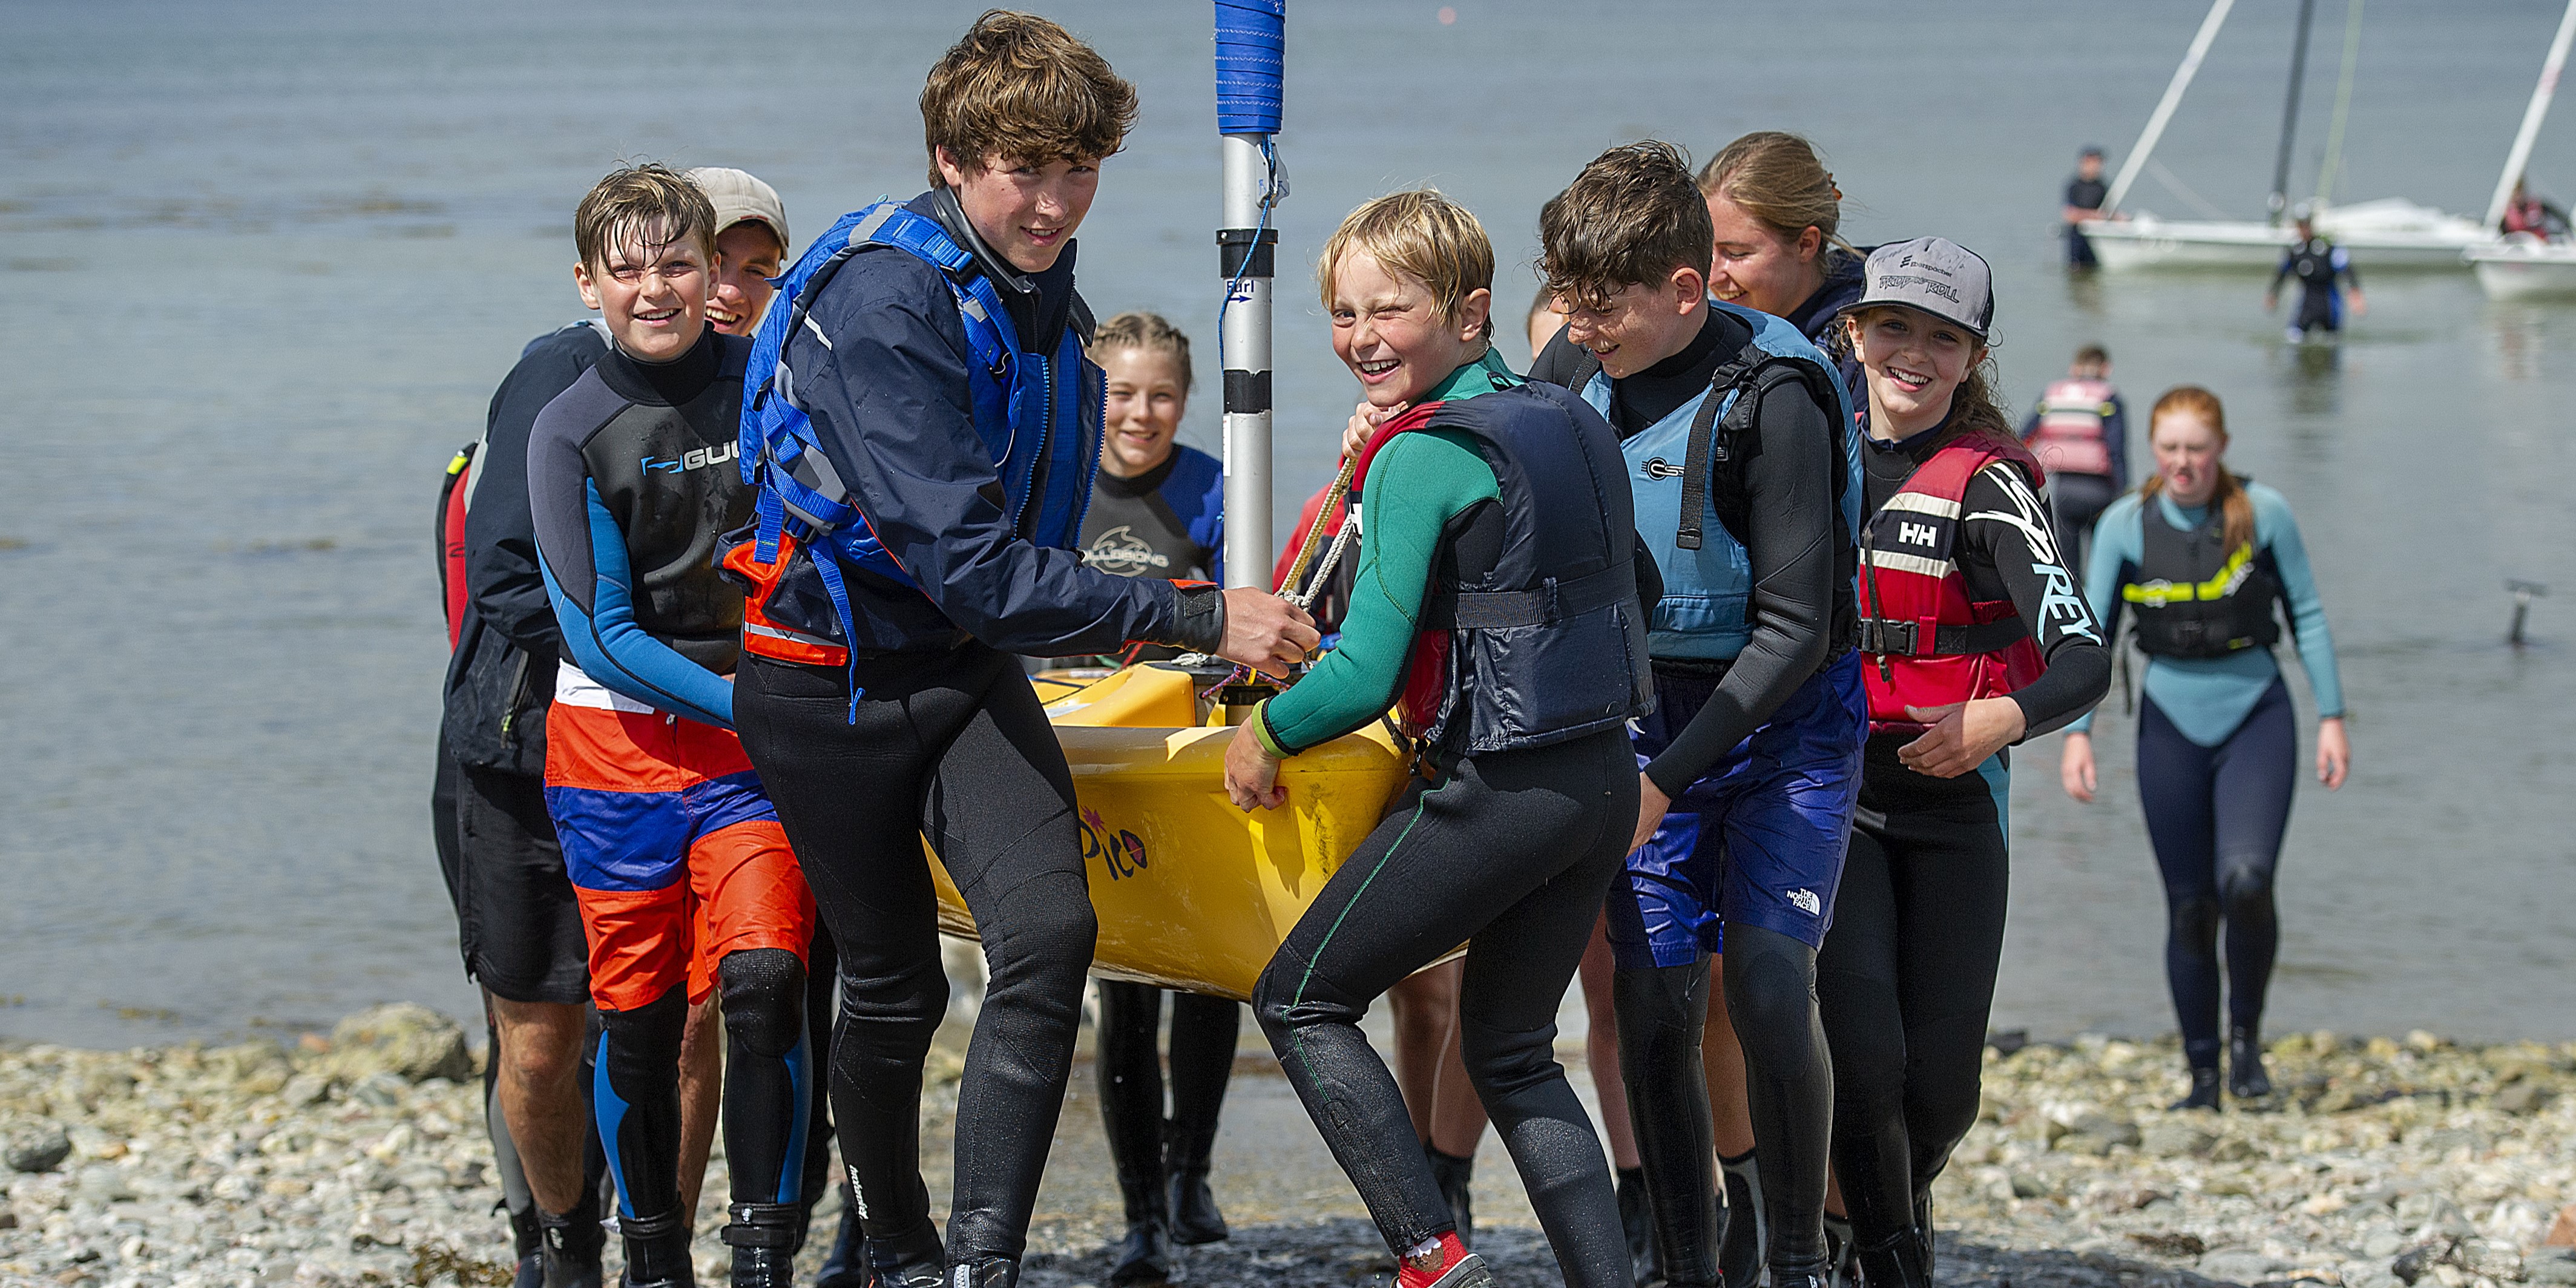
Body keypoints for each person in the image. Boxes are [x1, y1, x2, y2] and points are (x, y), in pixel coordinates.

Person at [724, 15, 1315, 1288]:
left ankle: (980, 1262)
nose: (1053, 204)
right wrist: (1201, 616)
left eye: (1078, 169)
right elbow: (975, 566)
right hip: (822, 683)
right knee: (892, 986)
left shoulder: (1047, 298)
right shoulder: (885, 304)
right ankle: (897, 1245)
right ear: (950, 158)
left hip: (958, 670)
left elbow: (1011, 570)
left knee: (1047, 934)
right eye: (1023, 170)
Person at [1227, 188, 1651, 1288]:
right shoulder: (1573, 420)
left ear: (1469, 312)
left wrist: (1266, 732)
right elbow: (1634, 589)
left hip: (1498, 787)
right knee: (1511, 1051)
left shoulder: (1419, 456)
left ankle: (1432, 1261)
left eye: (1390, 309)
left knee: (1301, 997)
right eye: (1343, 313)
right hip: (1603, 778)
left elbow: (1364, 673)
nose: (1362, 337)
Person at [1530, 141, 1864, 1288]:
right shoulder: (1572, 367)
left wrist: (1662, 781)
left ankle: (1799, 1259)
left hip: (1787, 719)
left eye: (1602, 305)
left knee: (1766, 984)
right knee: (1653, 1001)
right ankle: (1685, 1268)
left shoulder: (1777, 399)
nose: (1581, 327)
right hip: (1644, 710)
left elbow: (1796, 629)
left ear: (1685, 290)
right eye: (1569, 298)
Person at [525, 163, 819, 1288]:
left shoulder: (771, 384)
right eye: (629, 269)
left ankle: (762, 1254)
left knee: (765, 982)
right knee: (640, 1020)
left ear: (710, 274)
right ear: (587, 283)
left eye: (678, 264)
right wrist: (757, 705)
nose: (656, 288)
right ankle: (653, 1259)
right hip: (615, 754)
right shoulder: (568, 429)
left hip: (755, 756)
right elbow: (600, 633)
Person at [1823, 238, 2111, 1287]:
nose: (1913, 354)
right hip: (1831, 802)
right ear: (1854, 332)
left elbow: (2086, 656)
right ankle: (1882, 1257)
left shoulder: (1989, 486)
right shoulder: (1807, 459)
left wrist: (2004, 719)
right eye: (1894, 326)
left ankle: (1883, 1210)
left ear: (1973, 357)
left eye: (1943, 338)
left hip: (1951, 808)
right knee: (1864, 1065)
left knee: (1941, 1095)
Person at [1687, 126, 1871, 1281]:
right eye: (1705, 248)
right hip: (1724, 693)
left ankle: (1842, 1231)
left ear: (1808, 245)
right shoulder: (1715, 337)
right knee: (1718, 976)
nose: (1713, 273)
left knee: (1806, 992)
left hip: (1831, 709)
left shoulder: (1849, 352)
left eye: (1737, 252)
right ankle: (1751, 1203)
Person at [2059, 386, 2349, 1111]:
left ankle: (2246, 1046)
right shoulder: (2125, 524)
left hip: (2256, 717)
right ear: (2153, 450)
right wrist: (2076, 733)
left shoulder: (2263, 512)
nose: (2182, 462)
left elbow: (2308, 615)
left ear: (2220, 447)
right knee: (2189, 906)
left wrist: (2331, 716)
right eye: (2169, 449)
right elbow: (2090, 637)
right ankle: (2201, 1076)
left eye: (2195, 449)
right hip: (2168, 725)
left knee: (2246, 882)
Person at [1068, 310, 1241, 1285]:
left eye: (1162, 395)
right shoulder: (1057, 487)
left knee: (1212, 972)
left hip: (1185, 758)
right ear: (1092, 395)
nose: (1141, 414)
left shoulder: (1215, 488)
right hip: (1091, 759)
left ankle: (1191, 1175)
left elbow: (1251, 616)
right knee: (1126, 990)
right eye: (1122, 394)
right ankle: (1143, 1218)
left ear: (1187, 399)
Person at [1526, 283, 1660, 1288]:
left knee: (1653, 995)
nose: (1557, 390)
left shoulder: (1626, 455)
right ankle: (1634, 1192)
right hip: (1554, 757)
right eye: (1542, 368)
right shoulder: (1505, 455)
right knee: (1566, 1002)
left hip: (1647, 744)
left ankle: (1667, 1192)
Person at [2020, 344, 2129, 575]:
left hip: (2063, 493)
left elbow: (2024, 438)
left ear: (2074, 368)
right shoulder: (2109, 398)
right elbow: (2117, 450)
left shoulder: (2052, 395)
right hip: (2100, 492)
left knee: (2070, 566)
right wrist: (2124, 492)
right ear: (2106, 369)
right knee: (2103, 562)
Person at [2267, 207, 2365, 343]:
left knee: (2331, 343)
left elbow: (2347, 270)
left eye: (2306, 225)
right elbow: (2282, 274)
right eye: (2300, 225)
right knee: (2293, 338)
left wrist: (2355, 293)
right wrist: (2273, 294)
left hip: (2329, 303)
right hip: (2307, 302)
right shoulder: (2295, 251)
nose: (2304, 229)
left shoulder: (2328, 247)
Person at [2063, 146, 2110, 268]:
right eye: (2092, 162)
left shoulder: (2102, 187)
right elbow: (2069, 215)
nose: (2095, 166)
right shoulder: (2074, 187)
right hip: (2078, 239)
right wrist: (2094, 216)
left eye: (2098, 163)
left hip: (2097, 240)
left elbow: (2107, 213)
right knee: (2077, 269)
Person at [2500, 179, 2571, 240]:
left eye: (2518, 192)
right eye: (2513, 193)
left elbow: (2561, 219)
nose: (2516, 196)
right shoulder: (2506, 217)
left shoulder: (2537, 207)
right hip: (2518, 248)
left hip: (2541, 246)